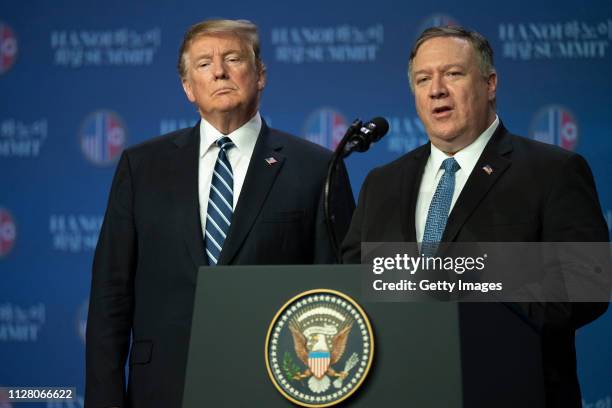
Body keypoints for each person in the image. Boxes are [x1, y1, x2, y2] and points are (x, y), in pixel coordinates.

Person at [85, 19, 355, 408]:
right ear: (187, 87)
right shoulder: (141, 166)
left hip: (275, 389)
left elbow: (338, 293)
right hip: (162, 388)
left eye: (232, 58)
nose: (219, 71)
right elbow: (111, 295)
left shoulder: (316, 168)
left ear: (260, 75)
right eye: (203, 64)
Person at [342, 26, 609, 407]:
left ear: (490, 83)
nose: (436, 89)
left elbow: (586, 285)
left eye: (452, 74)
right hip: (402, 391)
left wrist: (475, 298)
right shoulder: (382, 183)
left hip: (512, 391)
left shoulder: (553, 171)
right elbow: (355, 283)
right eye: (423, 79)